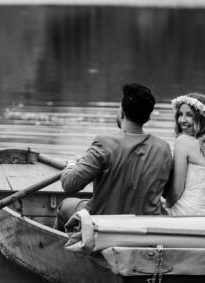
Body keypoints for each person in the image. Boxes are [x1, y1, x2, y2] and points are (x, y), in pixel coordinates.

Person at [55, 83, 173, 230]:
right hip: (147, 227)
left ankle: (59, 247)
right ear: (148, 118)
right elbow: (169, 193)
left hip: (103, 224)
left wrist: (71, 166)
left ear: (122, 112)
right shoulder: (164, 149)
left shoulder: (104, 144)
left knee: (65, 205)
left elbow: (69, 184)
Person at [165, 92, 205, 216]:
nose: (182, 120)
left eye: (189, 115)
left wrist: (165, 207)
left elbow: (176, 192)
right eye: (180, 114)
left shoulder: (182, 141)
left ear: (202, 116)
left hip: (188, 213)